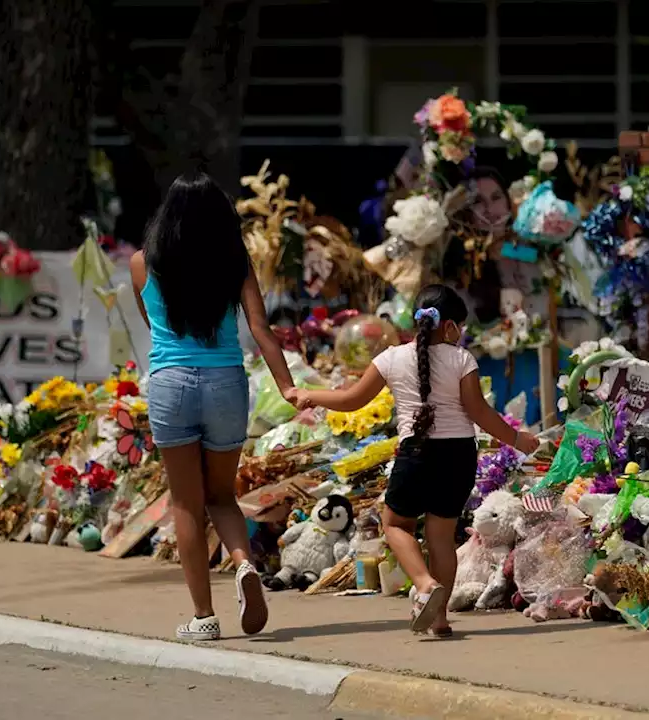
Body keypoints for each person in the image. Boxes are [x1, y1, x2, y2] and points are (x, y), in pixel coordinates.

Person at [301, 284, 540, 636]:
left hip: (417, 454)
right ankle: (439, 619)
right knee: (441, 538)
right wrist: (518, 439)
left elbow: (352, 399)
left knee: (395, 525)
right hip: (459, 455)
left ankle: (424, 584)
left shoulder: (392, 358)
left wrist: (310, 395)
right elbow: (479, 411)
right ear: (450, 327)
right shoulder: (462, 360)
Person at [131, 172, 306, 642]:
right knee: (222, 496)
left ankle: (204, 617)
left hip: (171, 383)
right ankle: (244, 563)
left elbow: (154, 325)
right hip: (227, 382)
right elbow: (261, 329)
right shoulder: (235, 262)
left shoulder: (143, 263)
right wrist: (289, 389)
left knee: (186, 503)